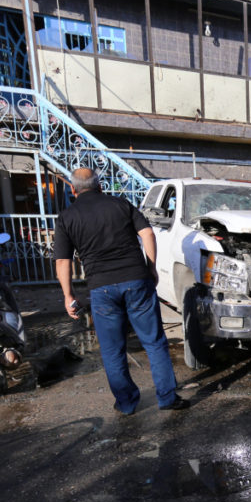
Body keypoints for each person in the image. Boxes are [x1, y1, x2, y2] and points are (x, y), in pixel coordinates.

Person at [54, 168, 188, 414]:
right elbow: (147, 232)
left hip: (101, 289)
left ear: (73, 190)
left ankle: (127, 403)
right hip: (136, 280)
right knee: (155, 342)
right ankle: (167, 398)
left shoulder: (67, 217)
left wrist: (68, 295)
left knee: (113, 349)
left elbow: (63, 261)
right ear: (100, 186)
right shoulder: (120, 204)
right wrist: (151, 268)